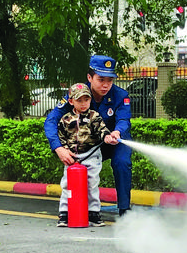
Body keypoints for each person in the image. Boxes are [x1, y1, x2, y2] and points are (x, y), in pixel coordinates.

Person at [45, 54, 133, 217]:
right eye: (101, 79)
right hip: (88, 143)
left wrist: (116, 132)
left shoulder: (121, 96)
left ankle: (124, 209)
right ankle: (77, 209)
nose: (106, 85)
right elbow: (51, 120)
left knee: (122, 162)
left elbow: (124, 119)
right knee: (78, 169)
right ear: (89, 77)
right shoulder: (78, 94)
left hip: (115, 140)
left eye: (110, 80)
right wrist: (59, 148)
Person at [54, 82, 117, 227]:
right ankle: (64, 213)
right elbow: (61, 136)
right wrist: (64, 149)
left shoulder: (94, 116)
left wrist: (107, 137)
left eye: (86, 100)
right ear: (71, 101)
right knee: (67, 184)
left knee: (92, 184)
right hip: (72, 156)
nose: (83, 104)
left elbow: (102, 129)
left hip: (91, 155)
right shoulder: (65, 120)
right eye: (79, 100)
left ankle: (93, 213)